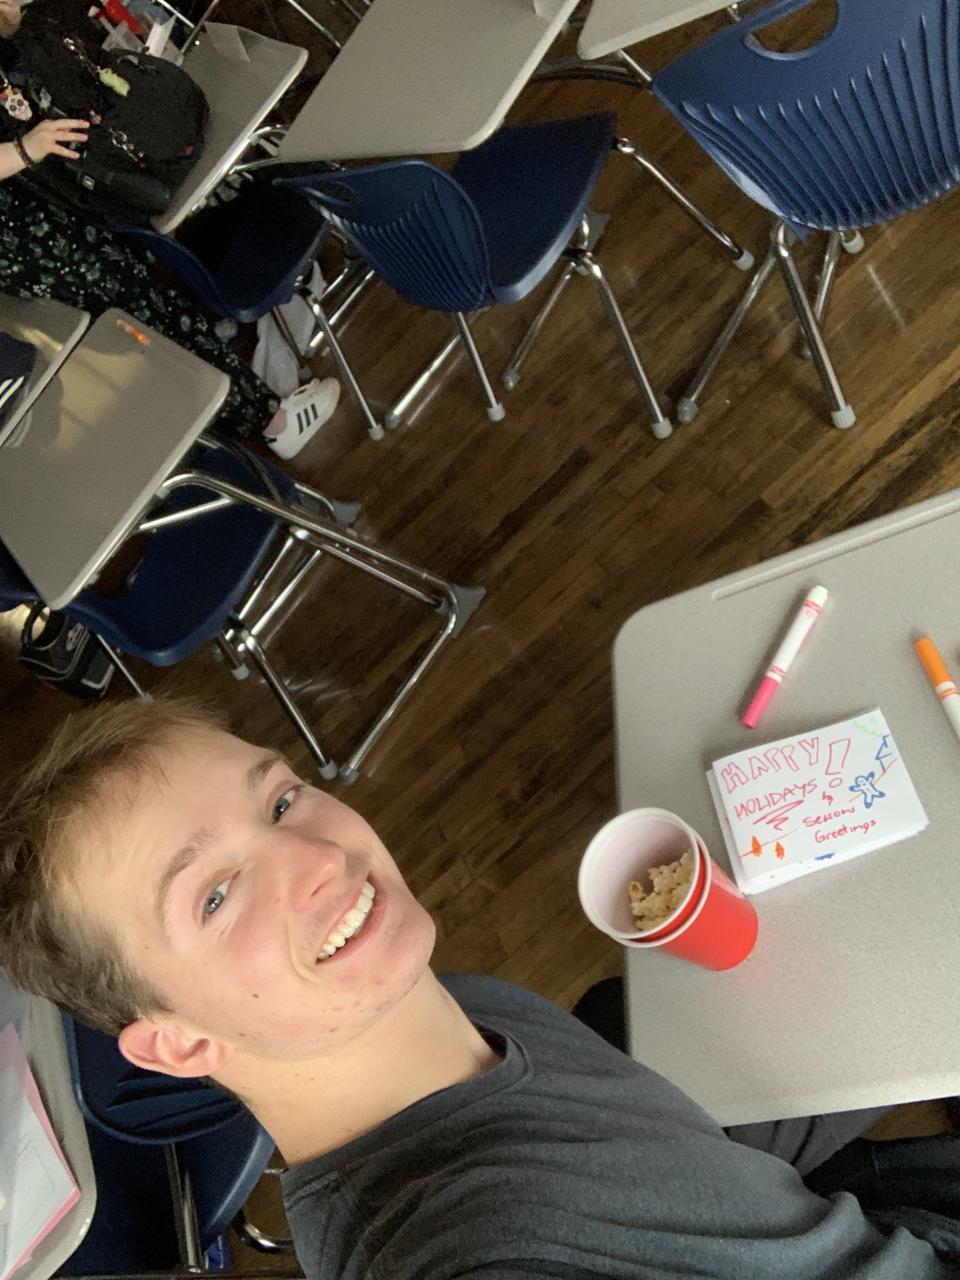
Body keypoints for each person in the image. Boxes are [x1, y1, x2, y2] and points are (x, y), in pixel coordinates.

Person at [1, 697, 959, 1279]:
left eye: (282, 799)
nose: (319, 857)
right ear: (178, 1044)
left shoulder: (454, 1001)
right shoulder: (470, 1248)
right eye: (215, 896)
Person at [0, 0, 338, 460]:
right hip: (21, 231)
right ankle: (271, 420)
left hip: (35, 204)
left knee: (140, 293)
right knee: (134, 304)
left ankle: (247, 393)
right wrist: (23, 151)